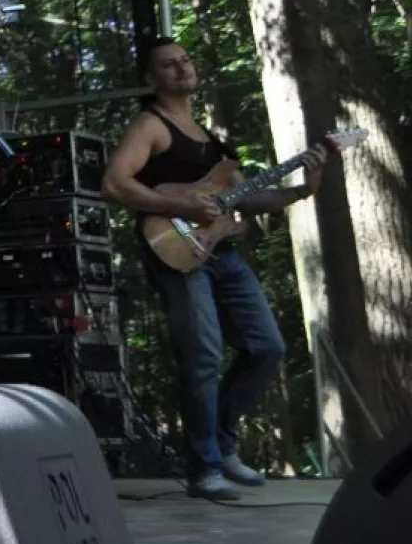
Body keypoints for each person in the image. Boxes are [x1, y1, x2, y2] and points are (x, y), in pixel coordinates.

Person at [101, 36, 327, 500]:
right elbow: (115, 183)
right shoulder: (151, 125)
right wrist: (179, 203)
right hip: (177, 251)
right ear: (151, 78)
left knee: (266, 347)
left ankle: (221, 447)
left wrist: (305, 187)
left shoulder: (213, 142)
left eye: (185, 60)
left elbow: (248, 198)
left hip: (223, 253)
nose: (182, 68)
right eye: (169, 64)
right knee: (203, 354)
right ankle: (204, 466)